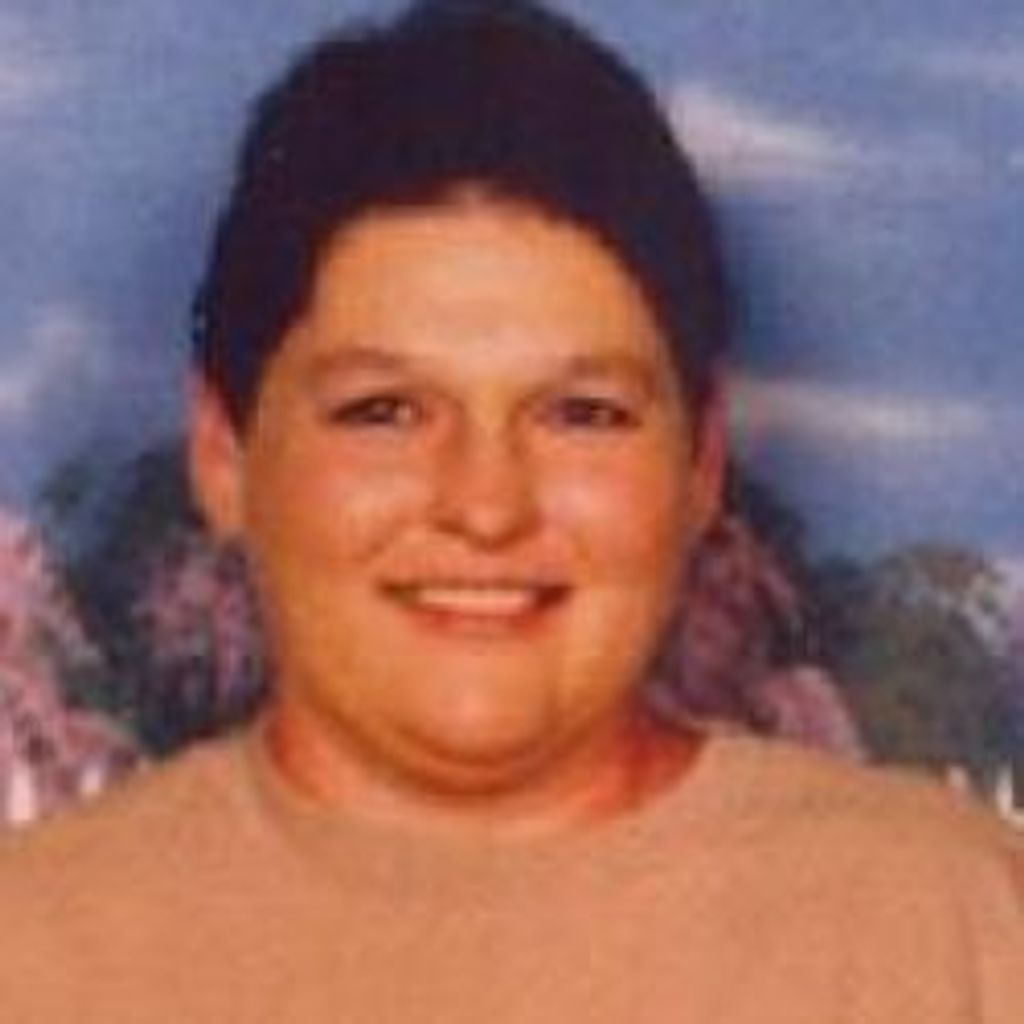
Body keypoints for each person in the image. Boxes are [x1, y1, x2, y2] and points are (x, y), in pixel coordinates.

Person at [0, 2, 1019, 1020]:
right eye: (384, 411)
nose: (486, 507)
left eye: (582, 413)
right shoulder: (32, 944)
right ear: (224, 455)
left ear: (701, 460)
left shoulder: (958, 926)